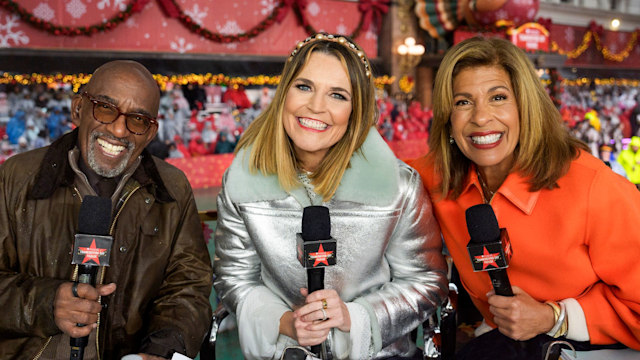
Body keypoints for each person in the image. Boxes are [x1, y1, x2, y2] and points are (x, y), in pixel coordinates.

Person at [213, 33, 448, 360]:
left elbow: (426, 281)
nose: (316, 106)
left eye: (337, 95)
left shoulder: (399, 186)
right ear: (284, 93)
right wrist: (285, 323)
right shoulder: (241, 181)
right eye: (304, 86)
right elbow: (234, 278)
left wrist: (356, 316)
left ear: (357, 109)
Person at [409, 37, 640, 360]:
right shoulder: (435, 178)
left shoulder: (594, 187)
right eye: (463, 102)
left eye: (498, 97)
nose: (481, 117)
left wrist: (555, 316)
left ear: (525, 107)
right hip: (500, 344)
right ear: (447, 117)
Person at [0, 60, 212, 359]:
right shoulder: (17, 177)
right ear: (78, 110)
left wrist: (161, 350)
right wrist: (46, 303)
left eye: (137, 119)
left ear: (151, 132)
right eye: (105, 108)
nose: (118, 129)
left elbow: (188, 287)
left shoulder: (172, 189)